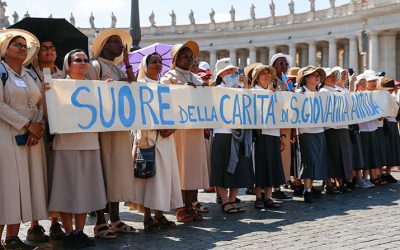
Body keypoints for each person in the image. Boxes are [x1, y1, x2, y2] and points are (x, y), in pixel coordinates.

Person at [48, 49, 107, 249]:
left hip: (89, 143)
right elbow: (49, 115)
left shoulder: (95, 87)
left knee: (84, 190)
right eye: (77, 60)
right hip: (65, 144)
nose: (82, 63)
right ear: (68, 64)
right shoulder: (56, 86)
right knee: (66, 190)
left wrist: (109, 93)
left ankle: (80, 231)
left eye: (85, 60)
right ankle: (69, 232)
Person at [0, 29, 47, 250]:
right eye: (16, 44)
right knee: (7, 188)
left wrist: (37, 127)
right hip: (6, 136)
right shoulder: (1, 71)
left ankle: (12, 237)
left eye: (24, 46)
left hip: (30, 138)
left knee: (23, 187)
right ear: (4, 49)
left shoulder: (29, 74)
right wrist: (28, 125)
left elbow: (38, 103)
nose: (22, 48)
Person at [89, 28, 136, 238]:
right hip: (103, 127)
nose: (120, 46)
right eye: (116, 42)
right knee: (102, 172)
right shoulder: (95, 66)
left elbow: (132, 86)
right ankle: (100, 220)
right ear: (104, 45)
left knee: (117, 171)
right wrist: (102, 87)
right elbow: (88, 91)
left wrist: (127, 62)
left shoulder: (118, 68)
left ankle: (115, 219)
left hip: (119, 126)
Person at [131, 53, 183, 231]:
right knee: (149, 176)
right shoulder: (140, 85)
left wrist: (172, 127)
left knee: (165, 176)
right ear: (145, 65)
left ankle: (160, 215)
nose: (158, 65)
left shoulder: (164, 86)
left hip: (166, 137)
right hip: (148, 137)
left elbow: (174, 110)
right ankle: (147, 216)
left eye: (160, 62)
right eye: (153, 62)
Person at [161, 40, 209, 222]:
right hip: (179, 130)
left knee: (194, 169)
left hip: (195, 129)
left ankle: (190, 205)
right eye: (184, 56)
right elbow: (165, 95)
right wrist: (182, 91)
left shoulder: (197, 78)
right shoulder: (169, 76)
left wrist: (205, 90)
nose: (188, 60)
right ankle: (181, 208)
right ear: (175, 58)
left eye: (191, 57)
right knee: (182, 168)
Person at [26, 40, 66, 244]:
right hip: (39, 131)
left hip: (60, 132)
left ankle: (54, 222)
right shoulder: (28, 74)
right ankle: (34, 225)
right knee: (38, 177)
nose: (49, 51)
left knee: (56, 177)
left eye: (53, 48)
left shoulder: (64, 74)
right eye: (45, 48)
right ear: (37, 53)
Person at [209, 58, 254, 214]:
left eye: (233, 71)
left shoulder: (241, 88)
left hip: (238, 132)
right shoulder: (216, 89)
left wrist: (246, 86)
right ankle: (224, 201)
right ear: (221, 75)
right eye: (228, 71)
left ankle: (232, 199)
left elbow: (249, 105)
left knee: (238, 167)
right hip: (222, 133)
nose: (232, 73)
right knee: (221, 168)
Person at [251, 64, 285, 209]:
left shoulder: (276, 93)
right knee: (259, 165)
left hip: (273, 132)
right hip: (259, 133)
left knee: (272, 164)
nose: (266, 75)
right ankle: (258, 196)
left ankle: (268, 197)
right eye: (263, 73)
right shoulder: (252, 92)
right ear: (257, 78)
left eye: (268, 73)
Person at [296, 66, 328, 203]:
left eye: (318, 75)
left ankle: (310, 187)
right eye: (313, 75)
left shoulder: (320, 94)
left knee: (317, 159)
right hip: (306, 131)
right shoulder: (300, 92)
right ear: (306, 78)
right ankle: (307, 190)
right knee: (309, 160)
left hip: (319, 130)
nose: (317, 77)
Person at [319, 68, 353, 194]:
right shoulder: (323, 91)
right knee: (332, 156)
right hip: (331, 128)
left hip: (342, 126)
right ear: (325, 79)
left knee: (343, 155)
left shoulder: (339, 91)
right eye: (330, 76)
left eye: (335, 75)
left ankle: (341, 181)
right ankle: (329, 183)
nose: (333, 77)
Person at [270, 53, 293, 201]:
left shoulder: (287, 81)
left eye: (285, 64)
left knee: (285, 157)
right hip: (275, 124)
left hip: (286, 124)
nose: (283, 66)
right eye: (280, 63)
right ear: (274, 66)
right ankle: (275, 187)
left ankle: (280, 184)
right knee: (277, 156)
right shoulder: (271, 81)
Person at [377, 77, 399, 183]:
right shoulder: (380, 97)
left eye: (390, 90)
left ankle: (388, 173)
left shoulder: (393, 96)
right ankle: (380, 173)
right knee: (383, 148)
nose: (390, 91)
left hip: (392, 123)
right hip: (383, 124)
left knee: (392, 148)